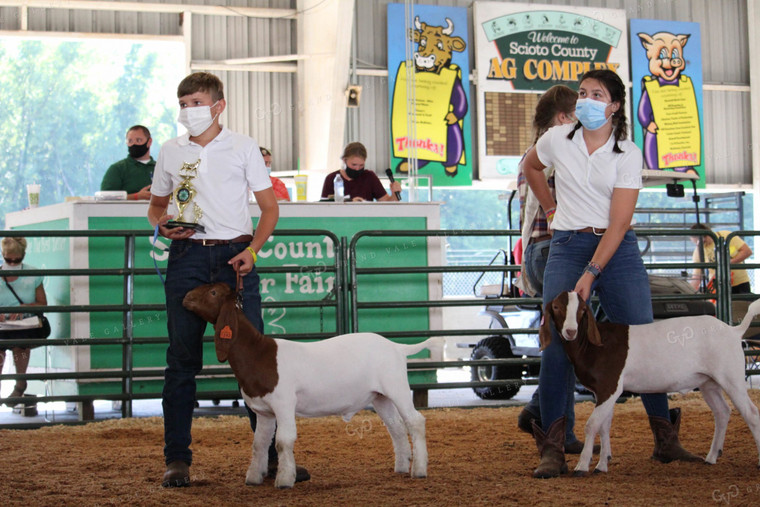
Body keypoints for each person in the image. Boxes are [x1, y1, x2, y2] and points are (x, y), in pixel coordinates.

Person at [523, 69, 701, 479]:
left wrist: (591, 272)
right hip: (567, 244)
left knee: (642, 333)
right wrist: (551, 209)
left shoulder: (628, 152)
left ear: (614, 105)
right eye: (582, 93)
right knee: (556, 339)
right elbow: (530, 168)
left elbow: (619, 222)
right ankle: (553, 446)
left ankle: (665, 439)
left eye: (596, 94)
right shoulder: (556, 140)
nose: (585, 99)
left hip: (616, 250)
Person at [147, 72, 308, 487]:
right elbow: (157, 206)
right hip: (185, 258)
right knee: (182, 361)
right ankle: (177, 460)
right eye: (183, 104)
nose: (188, 111)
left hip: (235, 259)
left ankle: (271, 459)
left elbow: (269, 209)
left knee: (254, 361)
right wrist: (161, 225)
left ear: (219, 105)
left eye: (196, 102)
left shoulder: (243, 147)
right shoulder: (169, 150)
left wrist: (252, 251)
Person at [513, 85, 586, 454]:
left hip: (538, 250)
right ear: (563, 118)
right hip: (560, 248)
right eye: (577, 113)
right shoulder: (558, 148)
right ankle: (556, 426)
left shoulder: (532, 152)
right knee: (568, 339)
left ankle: (544, 414)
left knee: (563, 337)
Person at [0, 237, 47, 405]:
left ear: (23, 256)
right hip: (2, 324)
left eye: (17, 259)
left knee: (20, 345)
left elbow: (42, 303)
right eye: (8, 259)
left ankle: (20, 382)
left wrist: (24, 308)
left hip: (25, 323)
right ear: (2, 255)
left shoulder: (33, 274)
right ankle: (19, 383)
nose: (12, 263)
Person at [320, 142, 402, 202]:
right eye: (354, 165)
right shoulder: (332, 178)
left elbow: (386, 203)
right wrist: (351, 203)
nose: (357, 169)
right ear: (344, 160)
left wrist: (395, 194)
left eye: (361, 165)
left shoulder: (369, 177)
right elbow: (325, 206)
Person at [689, 223, 753, 294]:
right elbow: (697, 274)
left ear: (707, 235)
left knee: (742, 303)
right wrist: (690, 292)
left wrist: (729, 262)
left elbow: (747, 251)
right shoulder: (699, 250)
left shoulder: (726, 236)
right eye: (697, 243)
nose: (701, 245)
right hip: (718, 285)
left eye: (702, 242)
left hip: (739, 282)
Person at [101, 125, 156, 200]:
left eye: (138, 140)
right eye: (130, 141)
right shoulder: (117, 169)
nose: (134, 144)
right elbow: (104, 197)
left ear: (149, 142)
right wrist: (136, 196)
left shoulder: (160, 168)